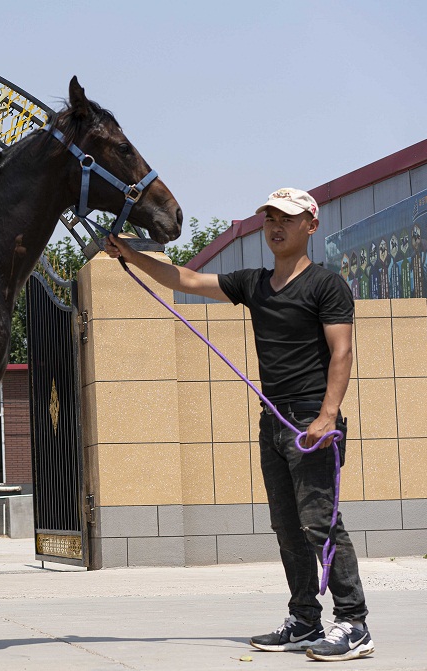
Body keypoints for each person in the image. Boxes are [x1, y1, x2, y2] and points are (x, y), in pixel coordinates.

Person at [104, 188, 374, 662]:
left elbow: (342, 352)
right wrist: (130, 253)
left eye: (287, 218)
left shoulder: (327, 285)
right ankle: (305, 620)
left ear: (310, 225)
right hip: (273, 420)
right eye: (270, 217)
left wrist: (327, 415)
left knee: (320, 522)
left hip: (311, 419)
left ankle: (353, 623)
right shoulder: (254, 283)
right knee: (287, 527)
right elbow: (184, 278)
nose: (276, 226)